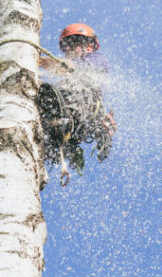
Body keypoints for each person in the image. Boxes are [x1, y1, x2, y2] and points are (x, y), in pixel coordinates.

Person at [38, 23, 117, 183]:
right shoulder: (74, 70)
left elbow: (67, 67)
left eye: (73, 44)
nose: (69, 49)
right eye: (66, 46)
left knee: (73, 85)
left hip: (80, 109)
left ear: (89, 45)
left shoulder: (96, 59)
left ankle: (62, 119)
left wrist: (36, 60)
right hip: (69, 117)